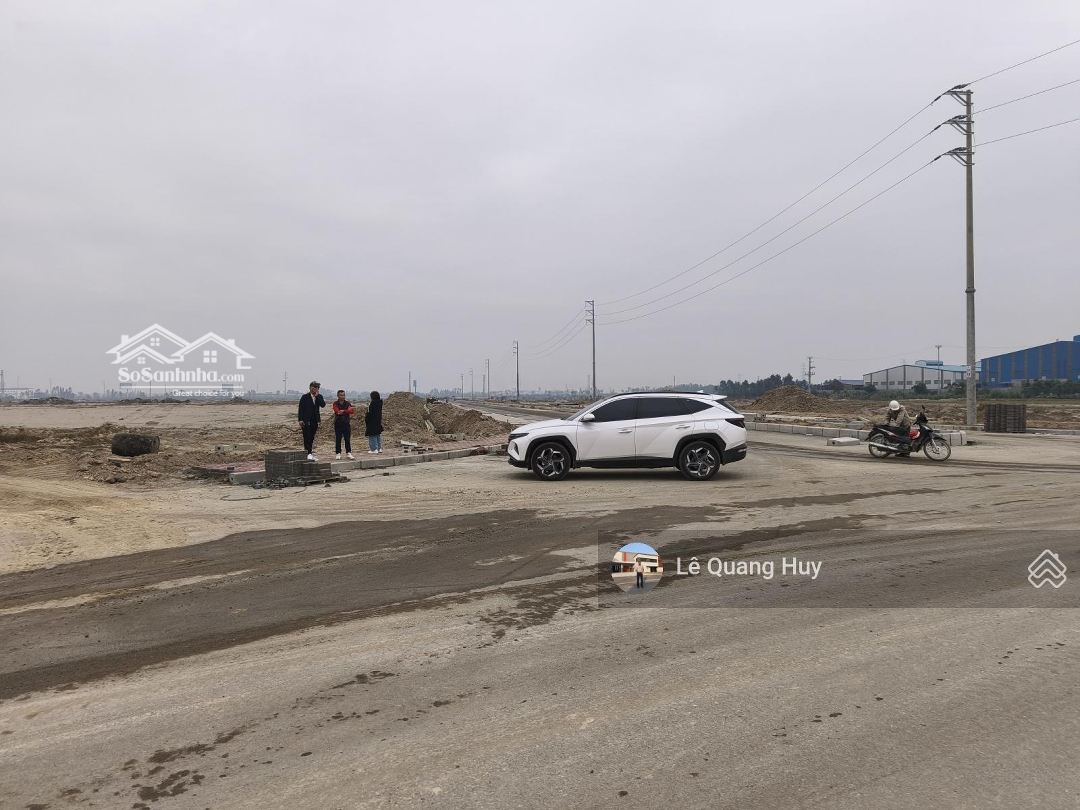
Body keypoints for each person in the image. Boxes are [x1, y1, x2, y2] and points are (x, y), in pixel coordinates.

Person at [298, 381, 325, 460]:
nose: (315, 389)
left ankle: (310, 452)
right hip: (306, 420)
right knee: (307, 437)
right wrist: (300, 419)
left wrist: (317, 397)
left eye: (317, 388)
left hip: (315, 420)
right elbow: (301, 408)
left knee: (312, 437)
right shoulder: (305, 397)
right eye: (314, 387)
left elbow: (323, 405)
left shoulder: (319, 396)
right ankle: (308, 453)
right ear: (310, 388)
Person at [332, 389, 355, 460]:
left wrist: (344, 411)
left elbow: (352, 411)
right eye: (341, 395)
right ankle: (338, 453)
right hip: (338, 424)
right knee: (338, 439)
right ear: (338, 396)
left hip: (346, 424)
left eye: (344, 395)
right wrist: (346, 411)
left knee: (347, 439)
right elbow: (337, 411)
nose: (343, 396)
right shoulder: (335, 403)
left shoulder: (347, 403)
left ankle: (348, 453)